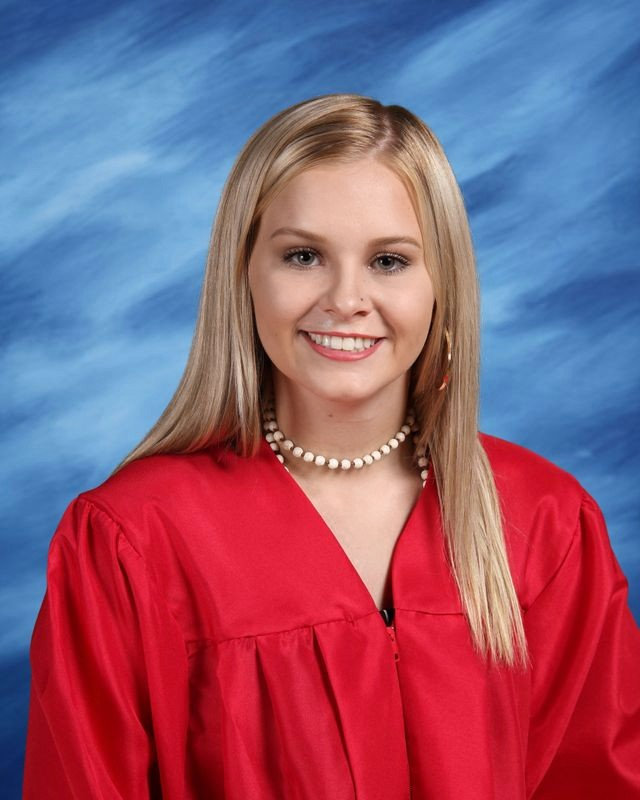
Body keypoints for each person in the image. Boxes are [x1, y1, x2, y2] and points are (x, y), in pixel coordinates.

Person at [23, 93, 640, 799]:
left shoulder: (544, 522)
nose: (346, 299)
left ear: (442, 284)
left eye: (389, 261)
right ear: (243, 272)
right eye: (304, 255)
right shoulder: (133, 540)